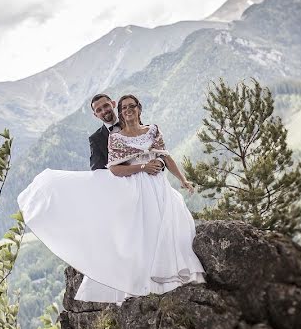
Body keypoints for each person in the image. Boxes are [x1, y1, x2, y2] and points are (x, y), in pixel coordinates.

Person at [18, 93, 205, 304]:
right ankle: (134, 279)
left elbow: (159, 152)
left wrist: (162, 167)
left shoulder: (141, 124)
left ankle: (167, 272)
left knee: (162, 224)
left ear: (113, 105)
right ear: (95, 114)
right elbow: (100, 171)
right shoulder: (97, 138)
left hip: (154, 184)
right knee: (131, 235)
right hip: (123, 188)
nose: (104, 111)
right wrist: (138, 170)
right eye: (98, 110)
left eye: (106, 106)